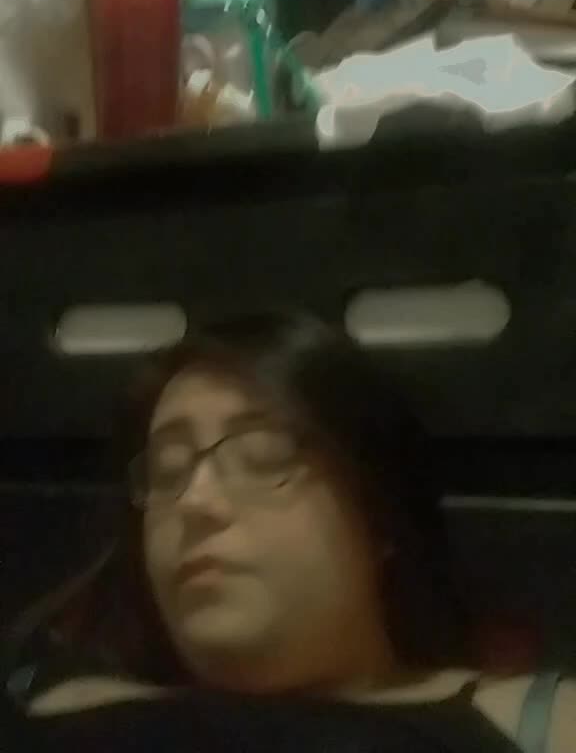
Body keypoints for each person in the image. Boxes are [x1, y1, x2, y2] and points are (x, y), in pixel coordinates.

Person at [3, 315, 574, 752]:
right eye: (167, 471)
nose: (195, 501)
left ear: (380, 512)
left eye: (263, 456)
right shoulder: (44, 700)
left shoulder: (540, 723)